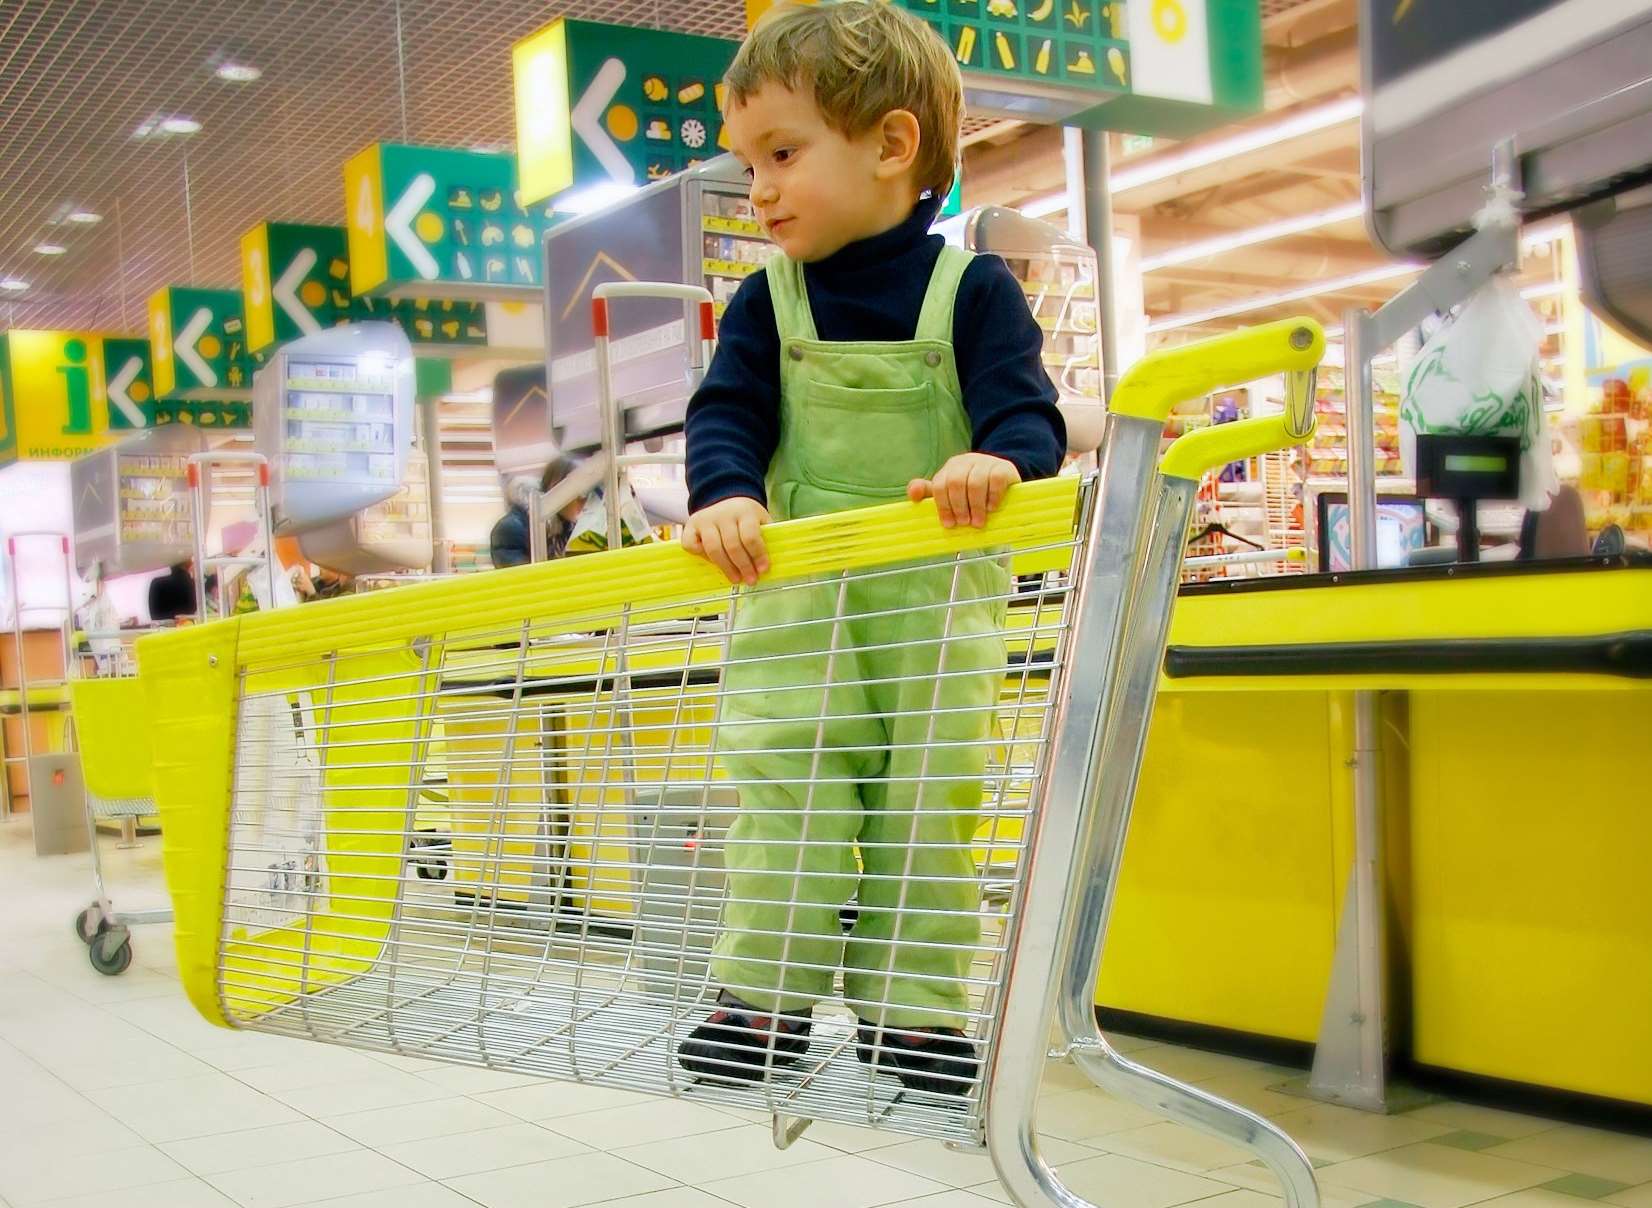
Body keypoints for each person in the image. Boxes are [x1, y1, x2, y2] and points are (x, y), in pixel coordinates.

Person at [676, 1, 1065, 1095]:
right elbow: (726, 417)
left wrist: (995, 462)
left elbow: (1024, 420)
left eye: (781, 153)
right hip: (794, 597)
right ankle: (761, 999)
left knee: (927, 799)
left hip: (938, 605)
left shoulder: (975, 293)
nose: (756, 189)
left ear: (891, 147)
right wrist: (723, 495)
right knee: (788, 792)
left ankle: (915, 1011)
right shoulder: (764, 301)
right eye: (748, 161)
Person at [489, 457, 580, 567]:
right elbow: (520, 577)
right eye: (577, 493)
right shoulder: (510, 529)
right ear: (556, 488)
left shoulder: (567, 526)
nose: (583, 500)